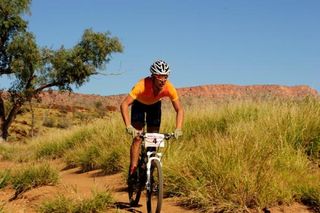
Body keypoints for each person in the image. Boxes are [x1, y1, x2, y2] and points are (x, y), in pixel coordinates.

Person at [120, 59, 184, 178]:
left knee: (153, 138)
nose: (163, 80)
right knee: (138, 138)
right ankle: (133, 171)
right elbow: (124, 104)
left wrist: (178, 128)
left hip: (154, 106)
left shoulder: (169, 87)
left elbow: (179, 109)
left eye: (165, 76)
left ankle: (150, 171)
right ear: (154, 76)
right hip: (139, 105)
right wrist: (128, 126)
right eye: (160, 76)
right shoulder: (141, 85)